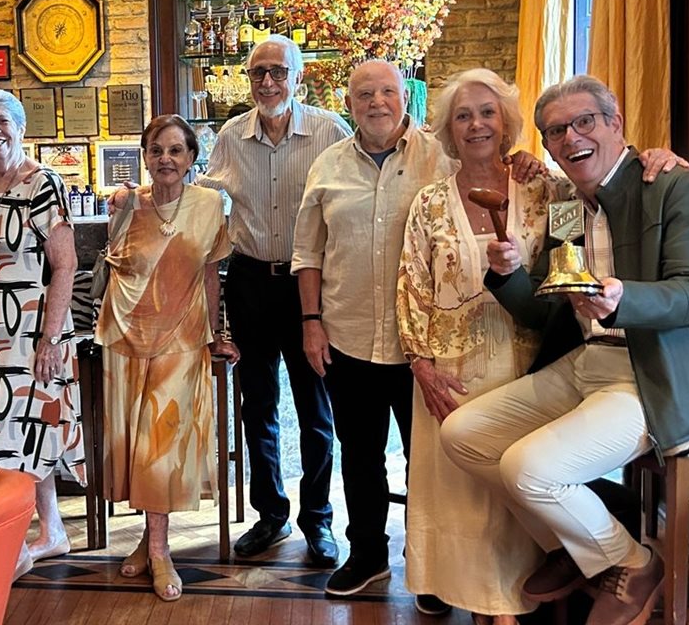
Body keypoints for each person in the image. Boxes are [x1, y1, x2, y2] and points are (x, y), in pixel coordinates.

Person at [441, 75, 689, 625]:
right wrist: (504, 276)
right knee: (463, 435)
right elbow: (544, 309)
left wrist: (624, 299)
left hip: (659, 372)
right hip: (588, 365)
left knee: (530, 468)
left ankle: (631, 565)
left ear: (615, 122)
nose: (571, 137)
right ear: (548, 145)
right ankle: (585, 552)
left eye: (585, 121)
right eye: (556, 130)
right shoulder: (569, 211)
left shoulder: (674, 187)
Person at [294, 60, 556, 607]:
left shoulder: (441, 152)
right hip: (350, 332)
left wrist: (527, 159)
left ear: (404, 97)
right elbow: (308, 252)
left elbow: (491, 155)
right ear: (350, 102)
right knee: (359, 451)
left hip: (434, 346)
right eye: (364, 93)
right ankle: (367, 554)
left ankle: (431, 564)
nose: (376, 102)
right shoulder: (325, 167)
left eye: (386, 91)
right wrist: (311, 323)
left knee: (429, 460)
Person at [396, 69, 567, 624]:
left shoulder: (541, 190)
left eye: (487, 113)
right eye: (464, 116)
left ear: (507, 123)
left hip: (527, 368)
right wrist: (420, 364)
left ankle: (511, 600)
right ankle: (471, 597)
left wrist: (660, 161)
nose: (476, 125)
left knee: (513, 486)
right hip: (452, 374)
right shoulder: (428, 204)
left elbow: (595, 209)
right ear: (448, 130)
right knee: (462, 496)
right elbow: (411, 286)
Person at [200, 34, 351, 567]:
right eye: (259, 72)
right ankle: (270, 514)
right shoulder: (229, 136)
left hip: (309, 286)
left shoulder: (330, 131)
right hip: (248, 283)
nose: (268, 82)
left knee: (315, 409)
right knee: (257, 405)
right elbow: (203, 197)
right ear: (249, 79)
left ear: (298, 78)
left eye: (278, 72)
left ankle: (318, 520)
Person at [97, 114, 239, 601]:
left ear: (193, 158)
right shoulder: (126, 205)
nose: (165, 159)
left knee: (161, 449)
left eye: (176, 150)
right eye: (156, 150)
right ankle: (149, 539)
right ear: (144, 156)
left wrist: (218, 333)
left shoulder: (208, 206)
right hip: (125, 338)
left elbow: (212, 275)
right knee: (138, 448)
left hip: (182, 339)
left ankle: (159, 552)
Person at [0, 88, 85, 577]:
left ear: (20, 127)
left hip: (33, 333)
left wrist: (50, 340)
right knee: (18, 438)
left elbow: (66, 263)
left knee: (10, 441)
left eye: (2, 121)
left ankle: (12, 543)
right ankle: (51, 532)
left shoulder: (43, 184)